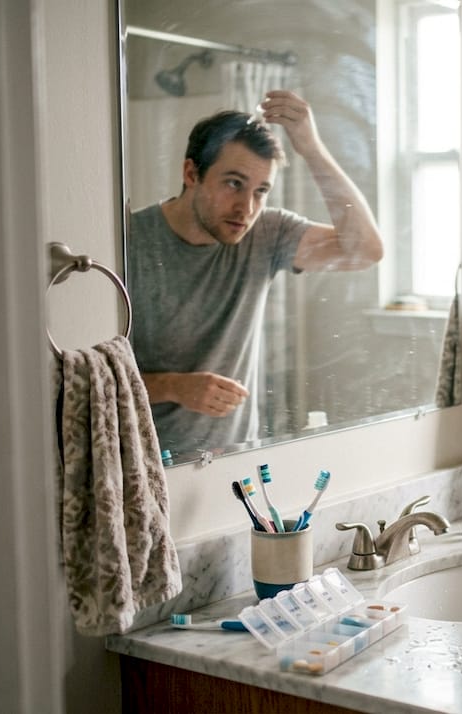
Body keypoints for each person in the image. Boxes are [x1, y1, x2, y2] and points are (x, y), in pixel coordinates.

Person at [128, 90, 383, 455]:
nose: (246, 208)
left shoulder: (265, 233)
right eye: (234, 183)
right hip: (147, 466)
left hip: (236, 466)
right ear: (191, 174)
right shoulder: (129, 241)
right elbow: (91, 379)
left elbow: (366, 250)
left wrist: (311, 148)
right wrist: (172, 386)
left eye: (260, 191)